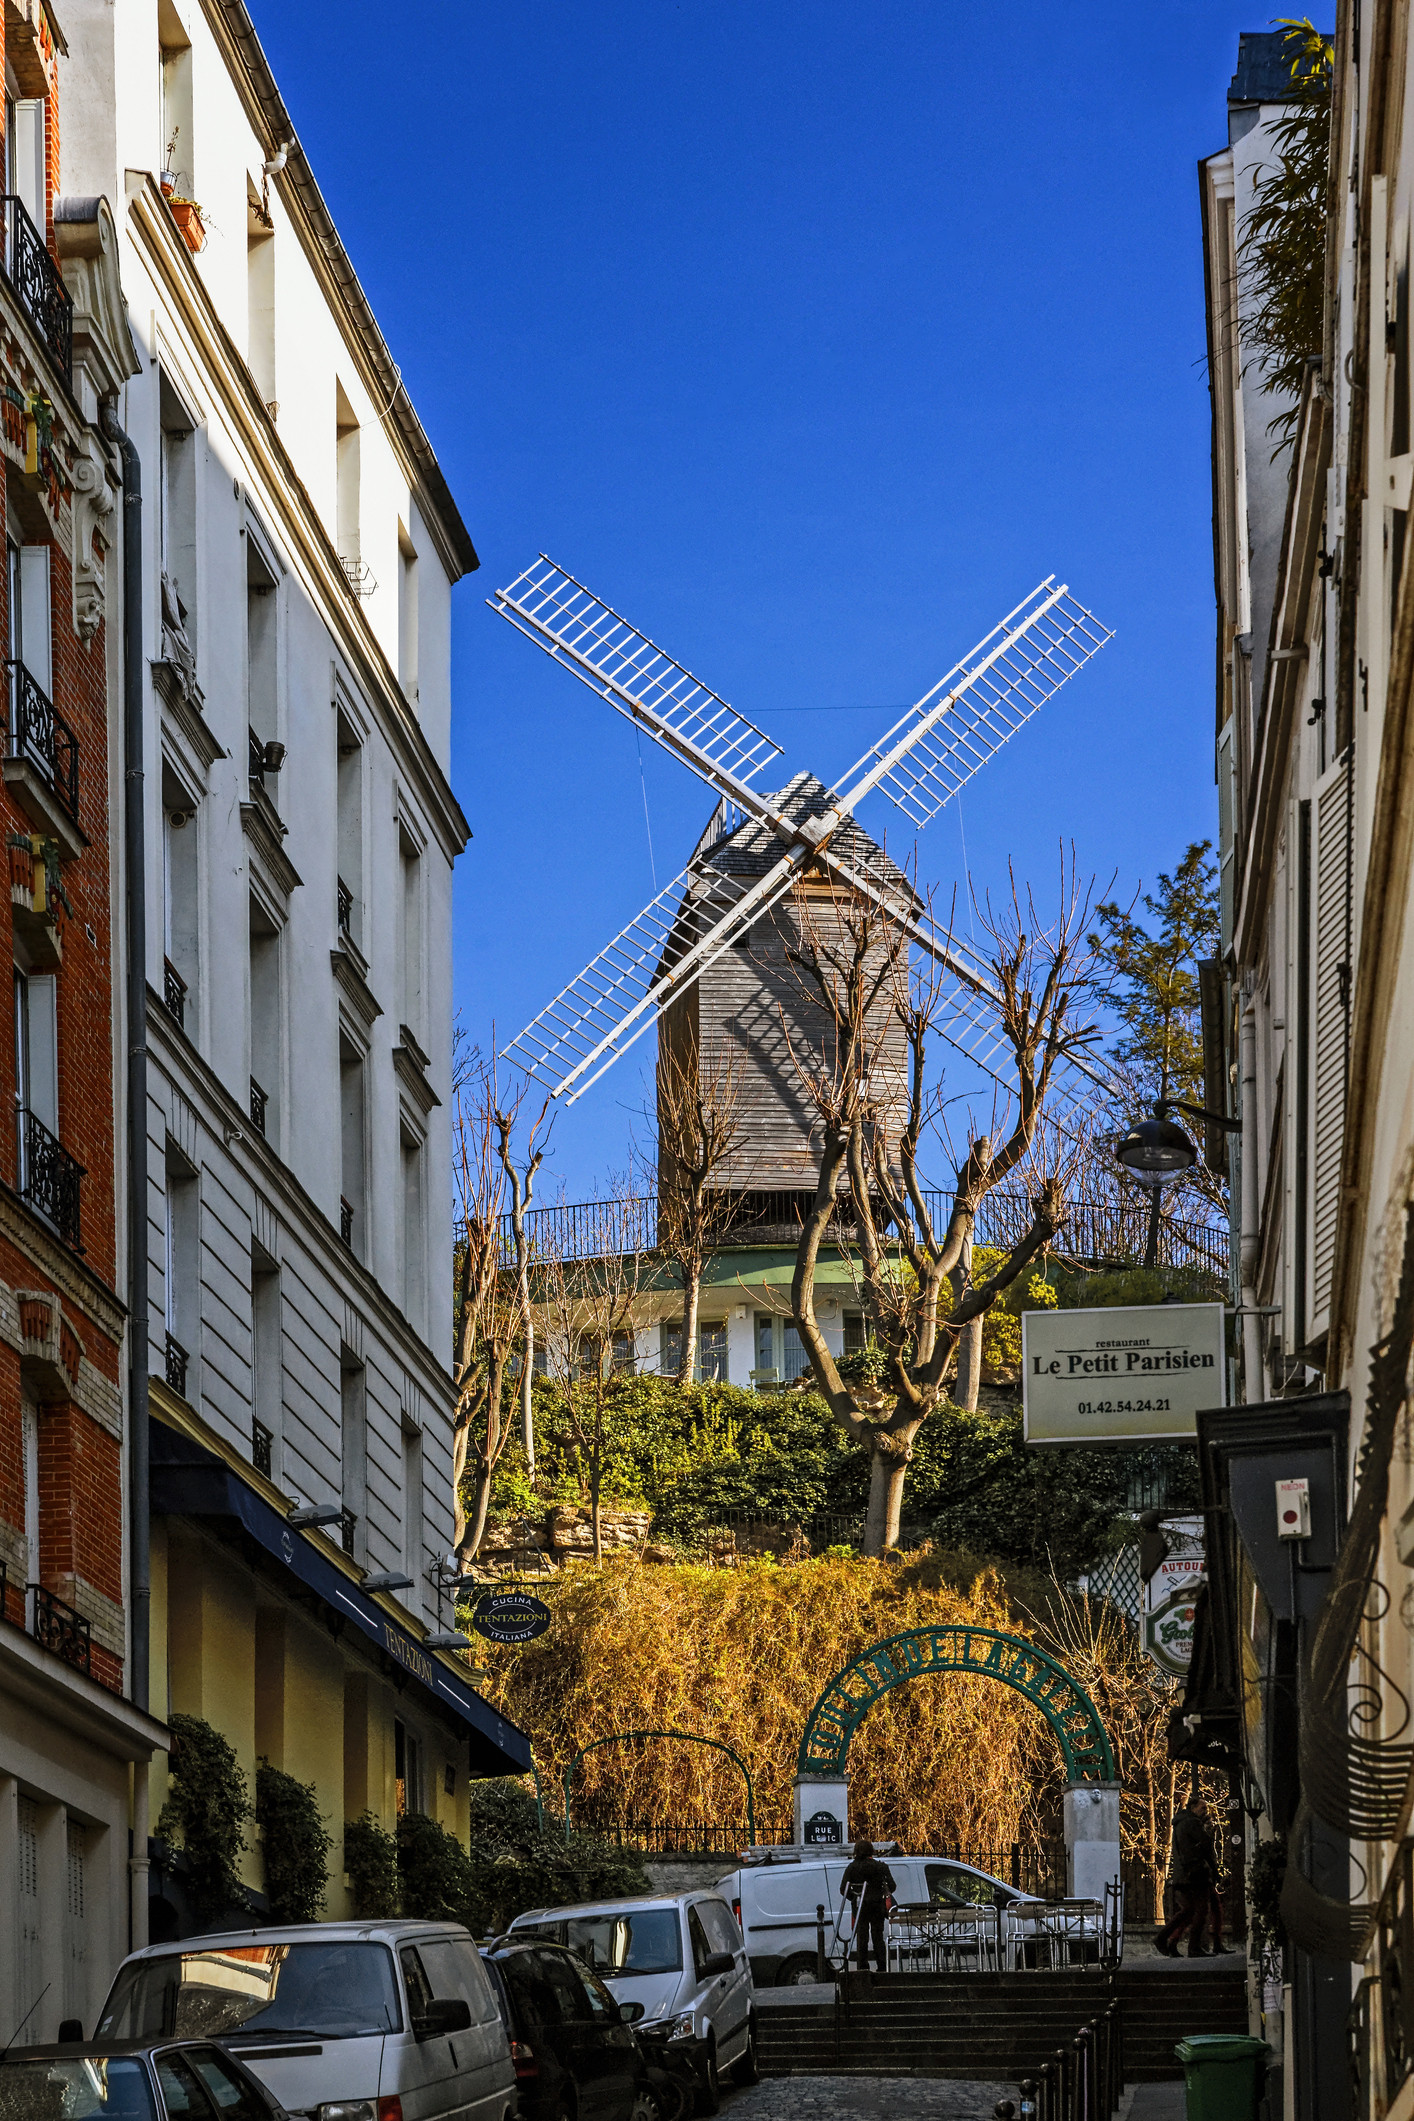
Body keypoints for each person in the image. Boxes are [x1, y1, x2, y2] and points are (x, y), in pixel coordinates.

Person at [1155, 1796, 1218, 1958]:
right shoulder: (1193, 1823)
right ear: (1193, 1808)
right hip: (1196, 1873)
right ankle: (1194, 1947)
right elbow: (1205, 1844)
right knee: (1201, 1910)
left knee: (1189, 1910)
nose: (1205, 1811)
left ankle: (1162, 1938)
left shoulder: (1180, 1823)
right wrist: (1208, 1830)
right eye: (1202, 1808)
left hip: (1183, 1874)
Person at [840, 1837, 895, 1974]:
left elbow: (843, 1889)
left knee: (862, 1938)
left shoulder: (852, 1867)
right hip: (877, 1906)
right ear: (871, 1851)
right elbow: (892, 1886)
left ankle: (862, 1967)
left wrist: (854, 1898)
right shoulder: (881, 1867)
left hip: (860, 1907)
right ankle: (882, 1966)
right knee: (878, 1937)